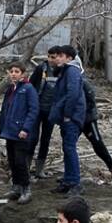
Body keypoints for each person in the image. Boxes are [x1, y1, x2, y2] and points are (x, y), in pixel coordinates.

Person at [72, 45, 112, 182]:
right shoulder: (66, 75)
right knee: (69, 145)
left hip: (87, 119)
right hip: (74, 119)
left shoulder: (83, 81)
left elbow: (91, 100)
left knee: (98, 144)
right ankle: (71, 174)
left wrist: (84, 114)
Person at [47, 46, 87, 195]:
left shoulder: (72, 71)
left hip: (72, 117)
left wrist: (67, 114)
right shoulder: (66, 71)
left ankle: (75, 183)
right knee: (66, 148)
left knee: (70, 149)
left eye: (61, 56)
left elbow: (73, 93)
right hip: (67, 116)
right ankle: (68, 180)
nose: (57, 58)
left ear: (69, 58)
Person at [0, 63, 39, 204]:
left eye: (17, 71)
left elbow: (33, 110)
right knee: (12, 161)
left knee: (21, 161)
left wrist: (26, 129)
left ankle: (26, 189)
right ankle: (16, 187)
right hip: (9, 131)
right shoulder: (11, 89)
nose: (14, 74)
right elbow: (5, 109)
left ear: (23, 74)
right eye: (11, 71)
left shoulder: (28, 89)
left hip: (21, 133)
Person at [28, 47, 64, 179]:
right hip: (37, 110)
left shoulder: (63, 71)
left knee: (46, 139)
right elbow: (31, 86)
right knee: (32, 139)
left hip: (51, 112)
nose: (50, 60)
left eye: (53, 57)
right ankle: (26, 168)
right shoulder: (40, 69)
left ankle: (39, 170)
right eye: (49, 57)